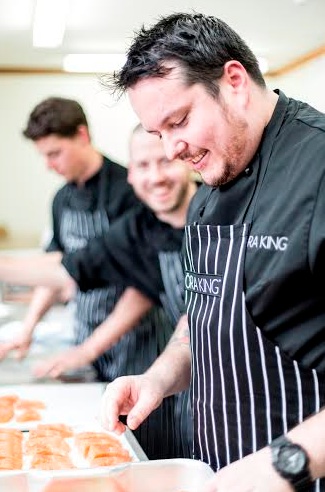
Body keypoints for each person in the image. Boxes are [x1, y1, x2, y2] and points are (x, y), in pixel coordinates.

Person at [98, 12, 325, 492]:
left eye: (178, 121)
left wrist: (281, 465)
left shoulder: (318, 169)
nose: (171, 150)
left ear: (235, 81)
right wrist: (158, 378)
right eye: (158, 132)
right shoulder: (207, 189)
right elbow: (203, 313)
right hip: (219, 470)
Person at [0, 122, 197, 460]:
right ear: (132, 173)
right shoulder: (141, 228)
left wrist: (88, 350)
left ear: (190, 160)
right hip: (181, 376)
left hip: (234, 387)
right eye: (143, 166)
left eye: (164, 161)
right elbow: (69, 267)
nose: (155, 177)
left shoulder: (223, 216)